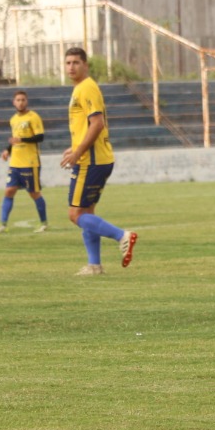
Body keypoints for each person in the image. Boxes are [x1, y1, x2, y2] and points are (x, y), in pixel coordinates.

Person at [59, 47, 136, 275]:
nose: (71, 67)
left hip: (90, 161)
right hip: (95, 158)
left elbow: (97, 123)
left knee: (76, 215)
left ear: (86, 65)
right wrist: (74, 147)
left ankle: (122, 235)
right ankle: (94, 265)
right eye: (68, 63)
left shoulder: (87, 88)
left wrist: (78, 153)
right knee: (87, 211)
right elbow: (87, 126)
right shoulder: (80, 89)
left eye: (76, 62)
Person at [0, 91, 48, 234]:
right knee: (9, 191)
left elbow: (40, 137)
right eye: (18, 100)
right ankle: (3, 224)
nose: (20, 102)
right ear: (14, 102)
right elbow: (16, 138)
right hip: (15, 162)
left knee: (34, 193)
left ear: (26, 101)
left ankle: (44, 223)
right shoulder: (13, 119)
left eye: (23, 100)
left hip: (30, 162)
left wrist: (22, 140)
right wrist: (7, 150)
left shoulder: (33, 117)